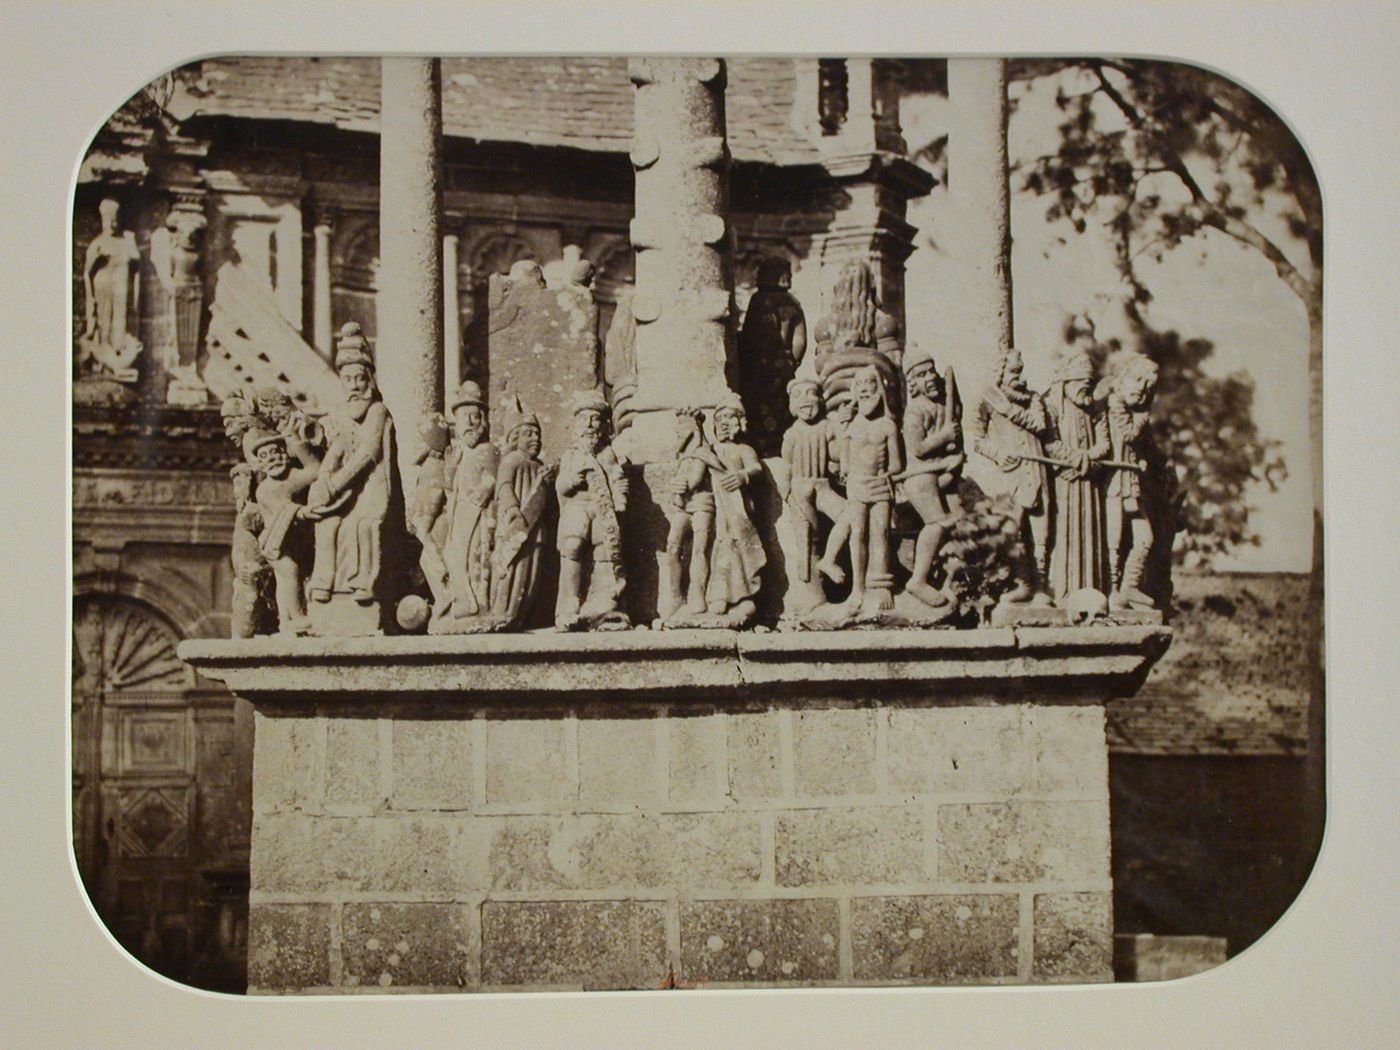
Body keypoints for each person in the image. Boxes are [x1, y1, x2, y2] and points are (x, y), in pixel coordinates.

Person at [306, 323, 396, 610]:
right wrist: (322, 479)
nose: (355, 385)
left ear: (370, 380)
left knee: (361, 524)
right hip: (348, 491)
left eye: (360, 379)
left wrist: (334, 484)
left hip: (371, 488)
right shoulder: (343, 415)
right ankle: (324, 583)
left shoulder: (376, 411)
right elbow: (337, 449)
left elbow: (368, 453)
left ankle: (361, 584)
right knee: (327, 522)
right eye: (348, 380)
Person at [969, 345, 1054, 606]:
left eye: (1020, 370)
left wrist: (1008, 409)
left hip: (1037, 471)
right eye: (1012, 370)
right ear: (1001, 371)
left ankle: (1041, 587)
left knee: (1041, 532)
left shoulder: (1033, 399)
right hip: (1009, 474)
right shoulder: (986, 398)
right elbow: (976, 437)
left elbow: (1039, 426)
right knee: (1013, 531)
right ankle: (1023, 583)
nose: (1017, 374)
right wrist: (997, 453)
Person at [555, 390, 629, 628]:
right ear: (576, 426)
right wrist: (572, 480)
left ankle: (603, 602)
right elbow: (561, 484)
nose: (589, 424)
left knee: (604, 551)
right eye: (584, 419)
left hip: (602, 509)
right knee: (573, 546)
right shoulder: (572, 455)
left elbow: (618, 479)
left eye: (594, 419)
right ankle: (569, 604)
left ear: (603, 426)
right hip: (578, 506)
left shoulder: (608, 454)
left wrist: (620, 497)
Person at [1044, 349, 1112, 599]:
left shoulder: (1096, 410)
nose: (1086, 389)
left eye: (1090, 384)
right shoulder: (1052, 406)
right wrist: (1075, 459)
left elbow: (1104, 444)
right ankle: (1060, 591)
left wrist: (1087, 459)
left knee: (1092, 537)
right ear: (1066, 383)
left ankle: (1093, 592)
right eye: (1081, 383)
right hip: (1063, 480)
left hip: (1089, 482)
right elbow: (1050, 442)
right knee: (1062, 534)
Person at [900, 344, 964, 608]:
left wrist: (955, 456)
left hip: (942, 475)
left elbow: (954, 448)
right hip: (921, 477)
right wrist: (946, 436)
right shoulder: (915, 410)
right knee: (937, 524)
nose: (931, 378)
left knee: (961, 524)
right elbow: (918, 448)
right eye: (923, 374)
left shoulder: (942, 407)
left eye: (932, 372)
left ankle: (952, 581)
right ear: (913, 382)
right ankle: (918, 580)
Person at [838, 366, 903, 613]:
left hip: (880, 486)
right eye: (861, 384)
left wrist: (886, 475)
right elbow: (842, 463)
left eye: (871, 384)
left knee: (881, 534)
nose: (865, 389)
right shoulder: (850, 426)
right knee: (857, 535)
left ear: (880, 391)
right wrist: (841, 428)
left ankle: (881, 586)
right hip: (857, 485)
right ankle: (858, 589)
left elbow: (896, 464)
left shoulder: (888, 426)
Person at [244, 428, 321, 635]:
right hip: (274, 543)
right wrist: (303, 512)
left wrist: (296, 440)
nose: (272, 459)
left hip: (292, 540)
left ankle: (285, 621)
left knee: (285, 578)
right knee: (289, 571)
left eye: (275, 452)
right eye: (264, 456)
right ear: (260, 464)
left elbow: (315, 470)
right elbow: (282, 508)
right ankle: (297, 618)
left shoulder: (292, 478)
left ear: (284, 454)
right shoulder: (265, 489)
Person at [491, 399, 555, 627]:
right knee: (512, 571)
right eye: (528, 434)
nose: (535, 439)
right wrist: (511, 508)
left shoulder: (539, 466)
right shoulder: (511, 461)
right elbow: (504, 487)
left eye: (537, 434)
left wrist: (546, 484)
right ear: (515, 437)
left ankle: (521, 616)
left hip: (536, 531)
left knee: (532, 575)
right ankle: (504, 613)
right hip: (516, 527)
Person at [1104, 354, 1161, 610]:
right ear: (1120, 380)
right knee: (1113, 540)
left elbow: (1145, 447)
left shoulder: (1135, 411)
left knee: (1145, 536)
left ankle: (1131, 585)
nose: (1141, 388)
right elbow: (1128, 433)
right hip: (1113, 483)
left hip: (1131, 484)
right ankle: (1113, 589)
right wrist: (1142, 417)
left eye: (1148, 386)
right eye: (1137, 379)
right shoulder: (1115, 404)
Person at [441, 381, 500, 621]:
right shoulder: (457, 454)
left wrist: (485, 489)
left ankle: (477, 602)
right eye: (464, 417)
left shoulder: (488, 450)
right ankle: (463, 599)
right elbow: (448, 487)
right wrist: (451, 468)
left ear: (483, 420)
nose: (470, 423)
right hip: (459, 512)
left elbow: (495, 477)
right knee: (456, 555)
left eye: (475, 417)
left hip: (479, 513)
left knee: (476, 555)